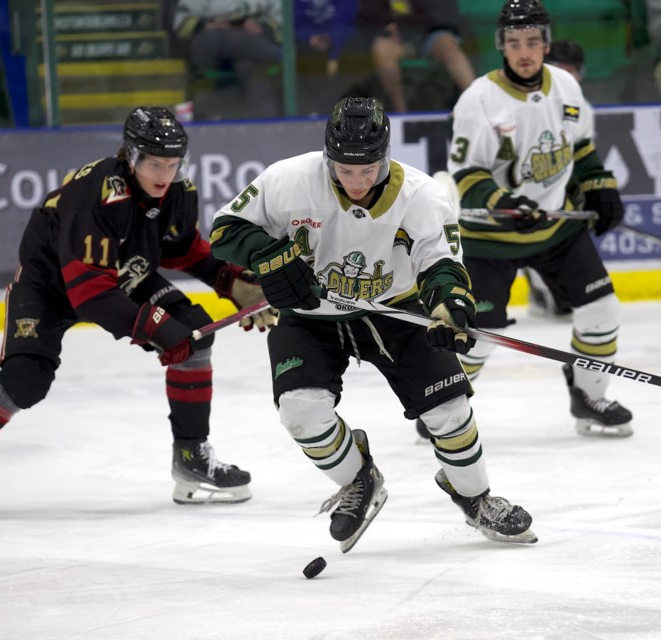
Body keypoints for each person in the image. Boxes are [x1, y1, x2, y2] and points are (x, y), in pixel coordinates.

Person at [0, 106, 276, 520]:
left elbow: (181, 248)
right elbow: (90, 295)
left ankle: (191, 459)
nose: (164, 174)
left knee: (194, 334)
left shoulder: (177, 191)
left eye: (173, 164)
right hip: (49, 287)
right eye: (155, 163)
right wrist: (155, 329)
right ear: (131, 156)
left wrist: (232, 282)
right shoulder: (97, 194)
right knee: (27, 378)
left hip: (120, 276)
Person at [209, 96, 537, 551]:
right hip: (310, 315)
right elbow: (225, 230)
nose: (358, 181)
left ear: (386, 155)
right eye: (345, 169)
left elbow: (440, 262)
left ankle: (475, 497)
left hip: (394, 311)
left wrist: (449, 304)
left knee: (449, 411)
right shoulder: (288, 180)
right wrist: (268, 256)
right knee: (300, 410)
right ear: (328, 156)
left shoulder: (421, 194)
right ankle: (358, 478)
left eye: (369, 169)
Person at [432, 0, 633, 439]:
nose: (524, 52)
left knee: (601, 310)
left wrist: (599, 184)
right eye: (514, 43)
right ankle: (445, 410)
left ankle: (589, 396)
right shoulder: (478, 101)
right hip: (489, 237)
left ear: (545, 43)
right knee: (477, 337)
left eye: (533, 42)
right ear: (501, 46)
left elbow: (579, 147)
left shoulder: (564, 85)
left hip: (556, 229)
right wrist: (504, 201)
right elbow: (467, 174)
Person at [523, 39, 586, 320]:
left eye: (571, 70)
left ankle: (547, 287)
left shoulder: (580, 109)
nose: (566, 76)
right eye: (560, 68)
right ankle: (539, 285)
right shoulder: (526, 105)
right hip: (525, 199)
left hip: (556, 199)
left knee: (573, 304)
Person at [358, 0, 476, 113]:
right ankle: (402, 115)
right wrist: (386, 24)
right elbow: (369, 11)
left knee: (448, 47)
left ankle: (477, 104)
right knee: (382, 49)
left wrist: (405, 22)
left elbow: (442, 13)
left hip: (430, 32)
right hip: (393, 36)